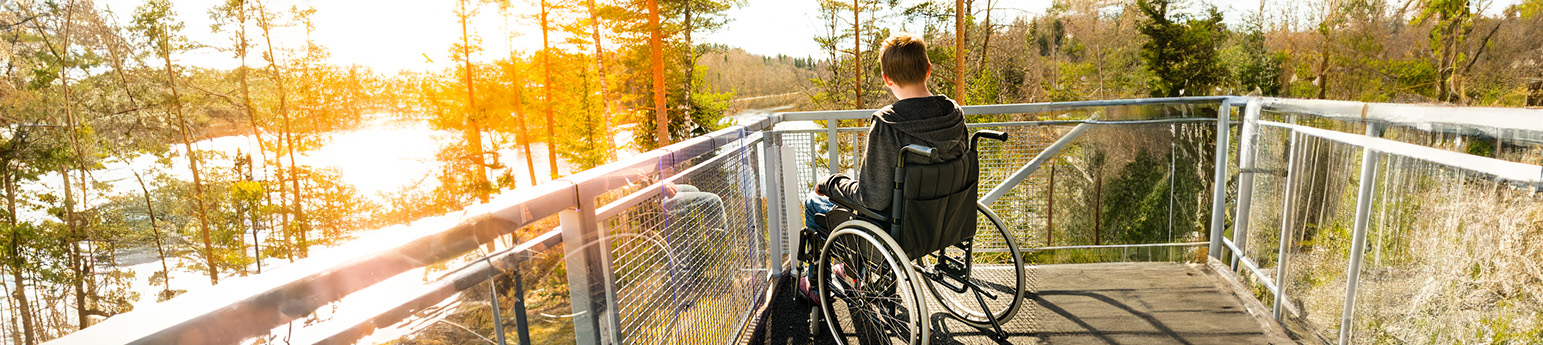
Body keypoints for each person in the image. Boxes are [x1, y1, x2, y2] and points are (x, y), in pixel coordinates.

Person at [804, 33, 971, 231]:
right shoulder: (954, 113)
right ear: (928, 70)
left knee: (812, 203)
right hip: (944, 224)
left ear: (886, 78)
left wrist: (830, 182)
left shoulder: (887, 123)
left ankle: (838, 263)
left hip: (896, 231)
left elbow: (874, 199)